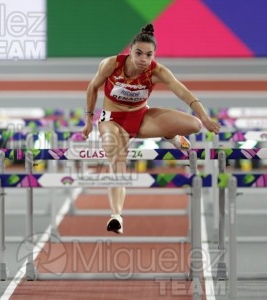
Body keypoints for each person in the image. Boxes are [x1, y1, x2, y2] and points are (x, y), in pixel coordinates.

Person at [81, 24, 220, 234]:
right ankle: (116, 216)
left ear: (154, 55)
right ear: (130, 51)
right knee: (116, 157)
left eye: (149, 54)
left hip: (141, 117)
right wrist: (89, 119)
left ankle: (169, 133)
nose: (143, 59)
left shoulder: (157, 71)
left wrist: (205, 117)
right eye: (138, 53)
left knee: (195, 125)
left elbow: (183, 93)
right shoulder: (111, 64)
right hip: (113, 120)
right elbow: (92, 87)